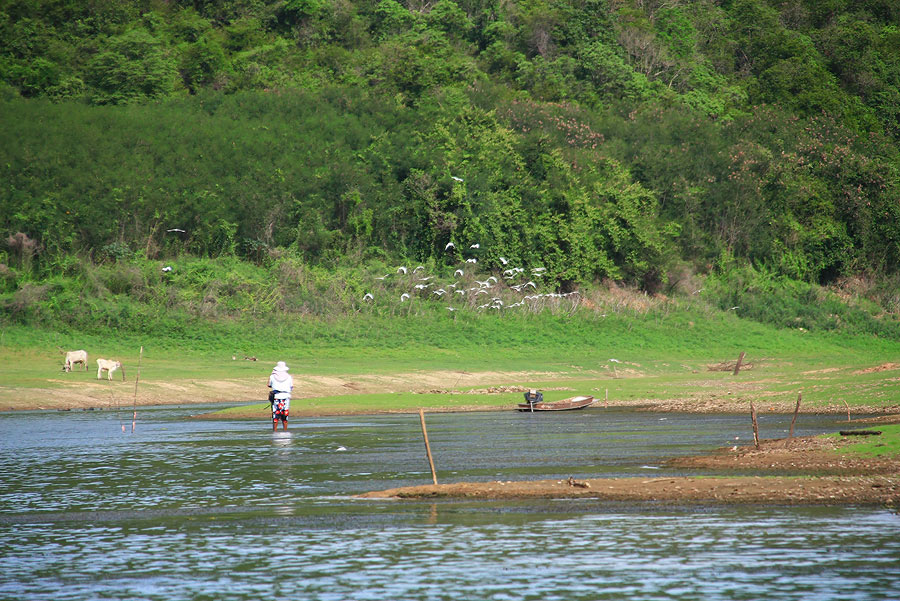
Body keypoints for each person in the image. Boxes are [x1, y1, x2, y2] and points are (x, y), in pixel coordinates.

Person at [268, 361, 293, 431]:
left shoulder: (272, 376)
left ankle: (275, 430)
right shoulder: (289, 377)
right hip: (286, 396)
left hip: (276, 396)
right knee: (285, 414)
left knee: (276, 415)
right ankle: (285, 430)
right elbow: (291, 387)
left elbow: (268, 384)